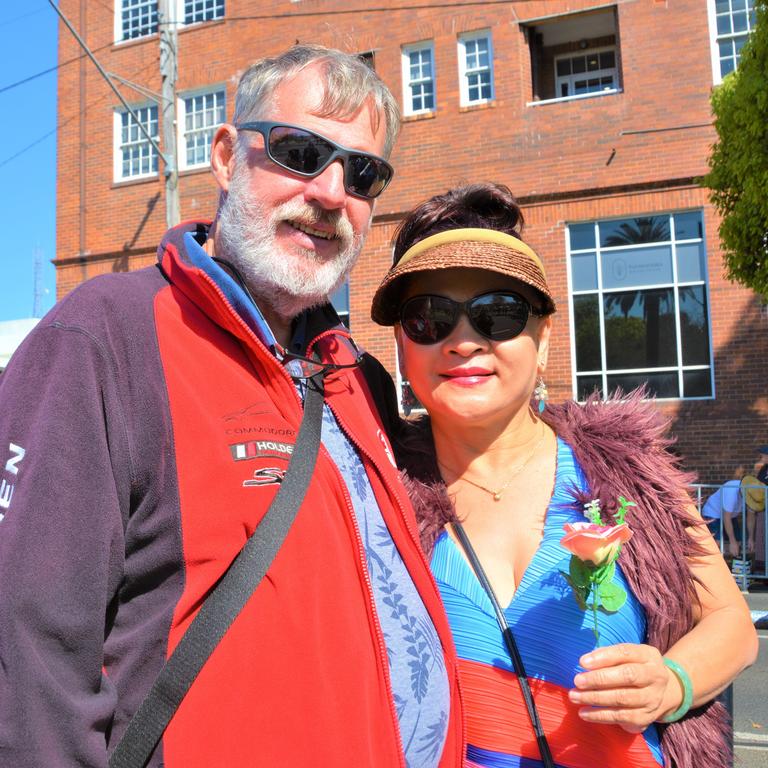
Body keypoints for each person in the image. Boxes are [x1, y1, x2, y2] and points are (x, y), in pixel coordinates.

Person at [0, 46, 464, 767]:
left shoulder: (355, 375)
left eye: (363, 173)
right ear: (224, 156)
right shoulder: (104, 337)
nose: (332, 192)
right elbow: (29, 655)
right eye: (301, 151)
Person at [370, 182, 758, 768]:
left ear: (544, 335)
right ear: (402, 343)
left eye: (497, 314)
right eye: (430, 317)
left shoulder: (627, 474)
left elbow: (731, 620)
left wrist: (672, 681)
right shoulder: (371, 495)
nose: (464, 341)